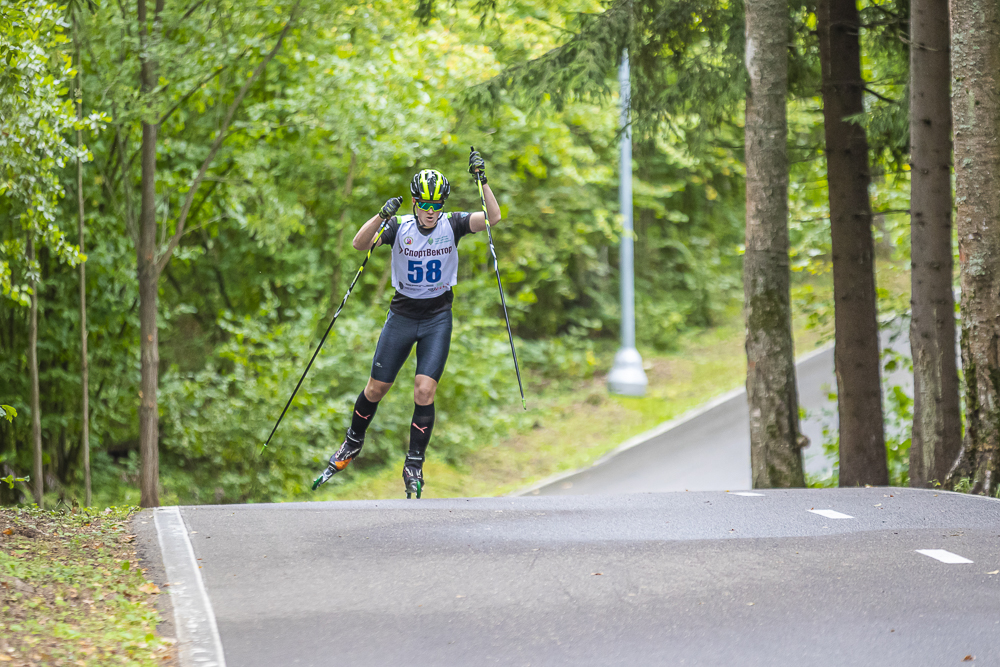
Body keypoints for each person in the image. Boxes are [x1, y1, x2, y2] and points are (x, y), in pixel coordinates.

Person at [312, 149, 501, 498]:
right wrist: (380, 216)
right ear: (414, 203)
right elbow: (358, 244)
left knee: (424, 389)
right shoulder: (398, 227)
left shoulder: (453, 223)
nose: (430, 212)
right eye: (424, 205)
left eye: (436, 205)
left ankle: (414, 461)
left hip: (437, 318)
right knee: (375, 389)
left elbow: (494, 217)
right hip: (402, 316)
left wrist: (482, 181)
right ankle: (352, 442)